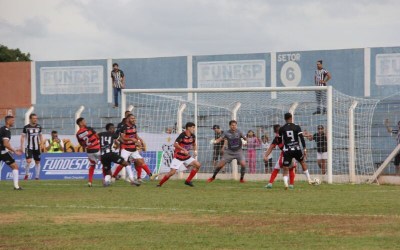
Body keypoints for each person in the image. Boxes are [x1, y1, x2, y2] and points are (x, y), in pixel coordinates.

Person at [157, 122, 201, 187]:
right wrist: (184, 149)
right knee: (172, 172)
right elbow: (175, 144)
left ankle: (188, 181)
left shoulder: (193, 136)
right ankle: (159, 184)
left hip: (186, 157)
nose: (194, 129)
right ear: (188, 128)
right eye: (193, 127)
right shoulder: (182, 135)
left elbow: (194, 144)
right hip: (178, 157)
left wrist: (195, 150)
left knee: (198, 165)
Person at [112, 114, 153, 183]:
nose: (134, 119)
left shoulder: (134, 126)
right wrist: (132, 139)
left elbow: (135, 135)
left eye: (134, 118)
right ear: (128, 119)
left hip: (133, 149)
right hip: (125, 149)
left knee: (141, 161)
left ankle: (151, 175)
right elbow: (123, 138)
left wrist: (139, 140)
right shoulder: (124, 127)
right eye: (132, 118)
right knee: (123, 163)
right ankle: (113, 176)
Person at [279, 113, 315, 189]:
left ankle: (286, 184)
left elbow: (279, 141)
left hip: (287, 150)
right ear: (291, 118)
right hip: (296, 149)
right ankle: (309, 179)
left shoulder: (282, 128)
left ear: (285, 119)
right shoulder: (296, 126)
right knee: (302, 162)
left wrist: (283, 149)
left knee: (285, 167)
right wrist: (304, 148)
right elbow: (301, 138)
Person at [264, 124, 297, 189]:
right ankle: (291, 185)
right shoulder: (286, 135)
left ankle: (270, 183)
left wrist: (265, 156)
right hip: (292, 153)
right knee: (290, 169)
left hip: (285, 154)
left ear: (274, 132)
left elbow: (271, 147)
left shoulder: (277, 138)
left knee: (276, 169)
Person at [76, 117, 101, 187]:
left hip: (89, 151)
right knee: (105, 163)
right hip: (97, 148)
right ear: (80, 123)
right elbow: (97, 137)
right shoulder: (89, 129)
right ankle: (106, 180)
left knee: (92, 165)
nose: (85, 122)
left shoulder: (78, 134)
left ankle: (90, 182)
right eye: (84, 121)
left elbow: (81, 144)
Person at [0, 116, 23, 190]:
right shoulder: (6, 131)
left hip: (3, 151)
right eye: (12, 120)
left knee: (15, 166)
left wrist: (9, 150)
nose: (13, 122)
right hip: (2, 152)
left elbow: (4, 143)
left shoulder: (2, 129)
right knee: (15, 167)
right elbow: (5, 144)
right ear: (8, 121)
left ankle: (16, 186)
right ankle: (16, 187)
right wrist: (15, 151)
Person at [20, 113, 43, 180]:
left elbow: (41, 136)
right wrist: (21, 146)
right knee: (28, 161)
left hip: (37, 147)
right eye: (34, 118)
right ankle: (26, 175)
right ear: (30, 119)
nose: (35, 120)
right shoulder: (26, 127)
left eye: (36, 118)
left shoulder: (39, 127)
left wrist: (41, 144)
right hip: (28, 147)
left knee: (37, 162)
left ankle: (37, 177)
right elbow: (22, 137)